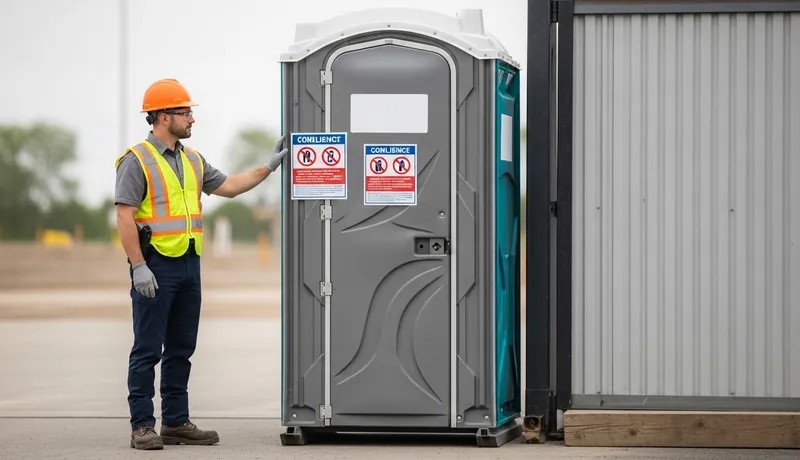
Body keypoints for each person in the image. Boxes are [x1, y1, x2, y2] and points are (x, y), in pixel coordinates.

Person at [114, 78, 288, 450]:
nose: (191, 118)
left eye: (190, 112)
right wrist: (138, 265)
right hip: (155, 265)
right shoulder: (137, 161)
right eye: (184, 112)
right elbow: (125, 217)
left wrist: (268, 167)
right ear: (163, 117)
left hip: (189, 264)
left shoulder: (193, 160)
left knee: (181, 348)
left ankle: (175, 422)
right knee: (147, 348)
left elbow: (229, 186)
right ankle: (142, 425)